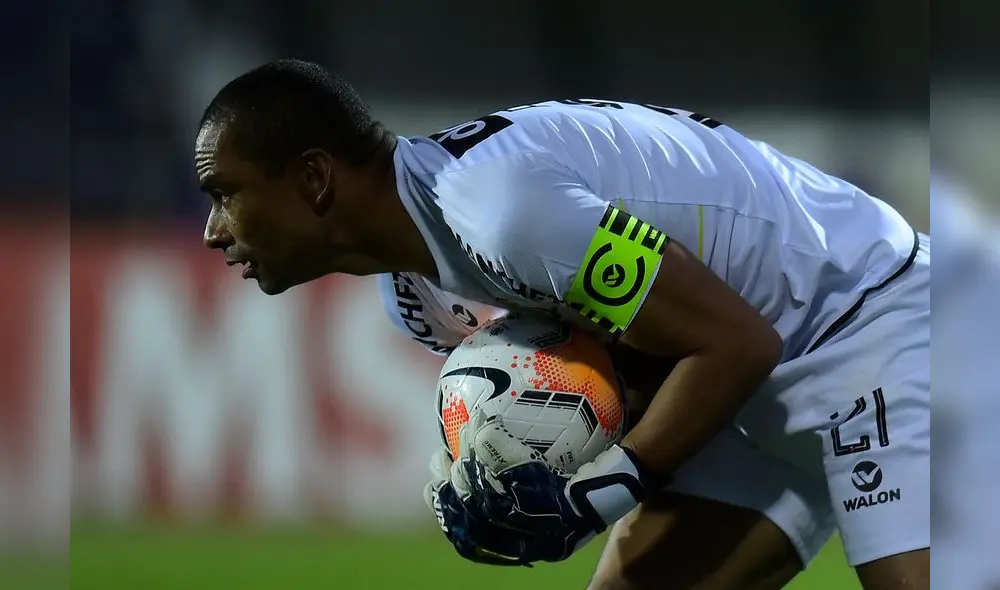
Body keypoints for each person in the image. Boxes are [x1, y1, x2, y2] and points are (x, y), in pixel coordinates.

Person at [195, 59, 929, 590]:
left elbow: (736, 342)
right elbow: (650, 363)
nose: (212, 230)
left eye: (223, 193)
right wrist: (490, 479)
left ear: (314, 179)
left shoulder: (505, 211)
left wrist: (600, 493)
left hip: (867, 321)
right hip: (747, 389)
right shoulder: (416, 294)